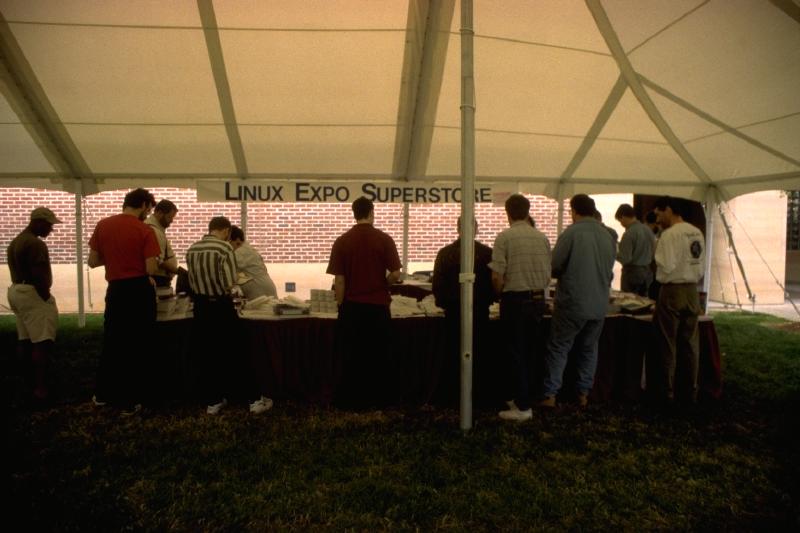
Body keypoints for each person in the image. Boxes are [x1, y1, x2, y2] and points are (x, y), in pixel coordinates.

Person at [186, 216, 273, 415]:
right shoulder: (224, 248)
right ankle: (253, 400)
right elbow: (229, 281)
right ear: (226, 231)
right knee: (238, 351)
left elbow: (191, 279)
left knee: (208, 354)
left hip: (201, 307)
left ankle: (214, 400)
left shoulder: (192, 249)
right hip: (220, 306)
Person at [88, 188, 160, 415]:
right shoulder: (144, 230)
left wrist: (114, 258)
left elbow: (93, 261)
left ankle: (102, 393)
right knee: (137, 344)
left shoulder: (103, 225)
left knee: (113, 341)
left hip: (116, 290)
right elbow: (151, 268)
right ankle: (130, 400)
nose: (148, 214)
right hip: (138, 290)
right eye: (148, 209)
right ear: (144, 205)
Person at [326, 196, 402, 408]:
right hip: (378, 307)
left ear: (354, 214)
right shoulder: (384, 239)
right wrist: (382, 284)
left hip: (352, 307)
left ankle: (352, 400)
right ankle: (380, 399)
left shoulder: (342, 241)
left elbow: (339, 280)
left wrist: (340, 304)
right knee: (379, 355)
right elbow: (396, 273)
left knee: (353, 355)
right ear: (371, 213)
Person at [541, 194, 615, 408]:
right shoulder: (608, 235)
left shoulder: (571, 233)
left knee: (559, 347)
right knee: (589, 349)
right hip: (599, 302)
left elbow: (554, 265)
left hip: (573, 302)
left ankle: (550, 394)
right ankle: (583, 394)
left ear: (574, 211)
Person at [491, 194, 552, 421]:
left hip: (515, 300)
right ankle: (523, 397)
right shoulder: (542, 237)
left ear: (507, 213)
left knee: (515, 352)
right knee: (531, 350)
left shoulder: (504, 237)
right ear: (528, 212)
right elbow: (548, 274)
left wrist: (499, 294)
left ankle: (523, 406)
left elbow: (496, 277)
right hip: (537, 299)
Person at [431, 217, 494, 405]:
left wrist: (445, 303)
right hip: (480, 310)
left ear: (458, 229)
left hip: (453, 311)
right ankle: (480, 394)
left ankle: (452, 394)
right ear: (477, 229)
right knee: (480, 352)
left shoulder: (445, 253)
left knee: (453, 352)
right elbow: (493, 283)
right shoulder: (487, 254)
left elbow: (437, 285)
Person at [652, 196, 706, 405]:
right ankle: (690, 391)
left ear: (668, 209)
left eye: (659, 213)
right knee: (690, 343)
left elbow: (665, 265)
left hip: (672, 289)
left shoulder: (669, 235)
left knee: (668, 342)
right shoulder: (696, 232)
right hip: (692, 289)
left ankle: (666, 392)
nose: (657, 218)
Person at [6, 207, 62, 404]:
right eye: (49, 225)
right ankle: (41, 389)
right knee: (42, 342)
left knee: (25, 339)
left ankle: (27, 383)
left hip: (16, 290)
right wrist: (45, 296)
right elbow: (39, 274)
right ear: (38, 222)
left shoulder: (16, 241)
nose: (51, 229)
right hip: (32, 293)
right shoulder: (35, 244)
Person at [614, 203, 656, 296]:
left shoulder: (629, 233)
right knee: (644, 300)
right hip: (647, 272)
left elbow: (625, 258)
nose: (621, 224)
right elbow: (653, 252)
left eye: (620, 221)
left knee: (629, 301)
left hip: (632, 273)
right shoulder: (648, 230)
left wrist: (614, 253)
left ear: (623, 217)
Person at [229, 225, 277, 299]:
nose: (228, 245)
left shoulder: (241, 252)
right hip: (264, 286)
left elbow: (228, 268)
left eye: (229, 241)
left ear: (237, 240)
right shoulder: (249, 249)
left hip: (259, 290)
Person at [144, 199, 179, 288]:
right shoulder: (153, 231)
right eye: (169, 217)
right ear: (159, 213)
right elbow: (158, 261)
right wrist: (178, 271)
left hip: (160, 278)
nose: (171, 220)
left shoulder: (155, 229)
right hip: (158, 279)